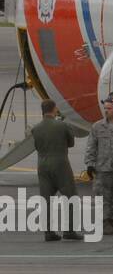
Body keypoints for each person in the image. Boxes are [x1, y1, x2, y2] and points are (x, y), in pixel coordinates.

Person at [32, 99, 81, 242]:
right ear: (54, 109)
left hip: (42, 164)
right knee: (71, 196)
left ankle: (49, 232)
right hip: (60, 163)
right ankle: (69, 230)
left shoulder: (36, 128)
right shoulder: (62, 125)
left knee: (46, 199)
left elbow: (37, 146)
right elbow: (71, 143)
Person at [84, 96, 113, 235]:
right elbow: (91, 146)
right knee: (102, 196)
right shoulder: (97, 126)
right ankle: (105, 222)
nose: (106, 111)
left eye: (109, 109)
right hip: (103, 167)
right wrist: (90, 164)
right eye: (105, 109)